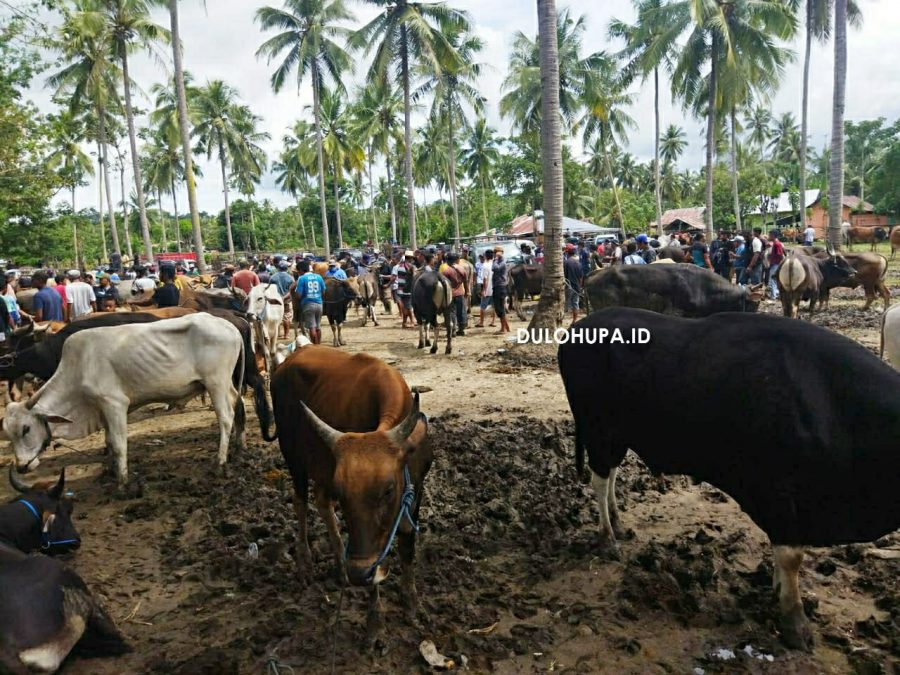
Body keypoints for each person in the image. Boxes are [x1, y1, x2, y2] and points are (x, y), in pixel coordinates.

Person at [296, 259, 325, 345]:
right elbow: (323, 291)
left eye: (298, 271)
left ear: (301, 270)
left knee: (312, 327)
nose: (298, 273)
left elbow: (298, 295)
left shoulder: (302, 278)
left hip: (308, 304)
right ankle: (319, 345)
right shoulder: (319, 277)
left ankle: (315, 346)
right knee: (318, 327)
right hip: (319, 303)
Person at [442, 253, 469, 337]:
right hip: (460, 292)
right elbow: (465, 282)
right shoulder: (462, 269)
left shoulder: (446, 271)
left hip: (450, 294)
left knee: (451, 312)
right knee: (461, 311)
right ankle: (461, 329)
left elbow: (444, 284)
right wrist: (467, 291)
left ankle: (452, 330)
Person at [271, 260, 295, 338]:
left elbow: (270, 289)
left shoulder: (273, 277)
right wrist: (284, 297)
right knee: (286, 317)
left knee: (276, 316)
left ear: (278, 268)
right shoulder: (290, 278)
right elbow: (291, 290)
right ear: (286, 268)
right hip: (287, 300)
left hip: (275, 301)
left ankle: (277, 333)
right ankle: (286, 334)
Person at [491, 247, 511, 334]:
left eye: (496, 253)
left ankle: (503, 329)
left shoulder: (502, 262)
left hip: (500, 287)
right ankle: (506, 327)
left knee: (500, 308)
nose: (495, 254)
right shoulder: (500, 262)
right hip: (498, 286)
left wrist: (495, 259)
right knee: (500, 308)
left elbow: (494, 268)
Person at [564, 244, 584, 324]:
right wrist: (580, 286)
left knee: (564, 304)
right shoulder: (578, 263)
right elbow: (581, 277)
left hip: (568, 287)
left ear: (567, 253)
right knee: (575, 304)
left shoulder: (566, 263)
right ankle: (574, 320)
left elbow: (564, 276)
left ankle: (560, 320)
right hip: (576, 287)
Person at [394, 251, 415, 328]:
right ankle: (412, 321)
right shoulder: (409, 267)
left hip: (400, 289)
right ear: (410, 258)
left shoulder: (400, 266)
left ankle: (404, 322)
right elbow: (412, 278)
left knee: (405, 307)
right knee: (408, 307)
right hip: (407, 290)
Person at [476, 251, 494, 328]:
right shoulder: (494, 264)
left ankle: (481, 322)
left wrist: (484, 290)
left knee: (483, 306)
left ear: (485, 256)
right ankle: (493, 322)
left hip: (488, 289)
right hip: (495, 288)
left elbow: (485, 279)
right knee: (494, 306)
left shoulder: (485, 265)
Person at [767, 230, 786, 300]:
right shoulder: (775, 243)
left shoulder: (777, 244)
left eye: (770, 235)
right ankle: (776, 293)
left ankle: (773, 295)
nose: (769, 236)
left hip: (776, 264)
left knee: (772, 279)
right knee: (775, 279)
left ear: (773, 235)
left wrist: (772, 258)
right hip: (775, 264)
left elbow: (779, 254)